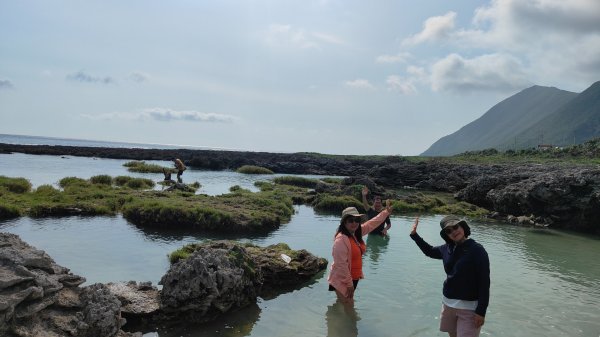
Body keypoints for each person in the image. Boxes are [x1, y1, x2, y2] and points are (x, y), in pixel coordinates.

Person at [410, 215, 490, 337]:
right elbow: (429, 251)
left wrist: (481, 311)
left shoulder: (477, 250)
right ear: (446, 235)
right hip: (448, 304)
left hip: (469, 308)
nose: (453, 231)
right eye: (448, 231)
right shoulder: (447, 248)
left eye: (455, 227)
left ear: (462, 227)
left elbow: (484, 282)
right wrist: (415, 236)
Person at [327, 201, 392, 304]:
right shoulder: (340, 240)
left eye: (356, 220)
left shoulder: (356, 233)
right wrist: (349, 284)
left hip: (352, 277)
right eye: (350, 220)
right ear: (344, 222)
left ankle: (338, 318)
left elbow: (372, 223)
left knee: (343, 304)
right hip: (343, 278)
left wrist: (386, 212)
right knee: (349, 307)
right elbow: (341, 265)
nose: (354, 223)